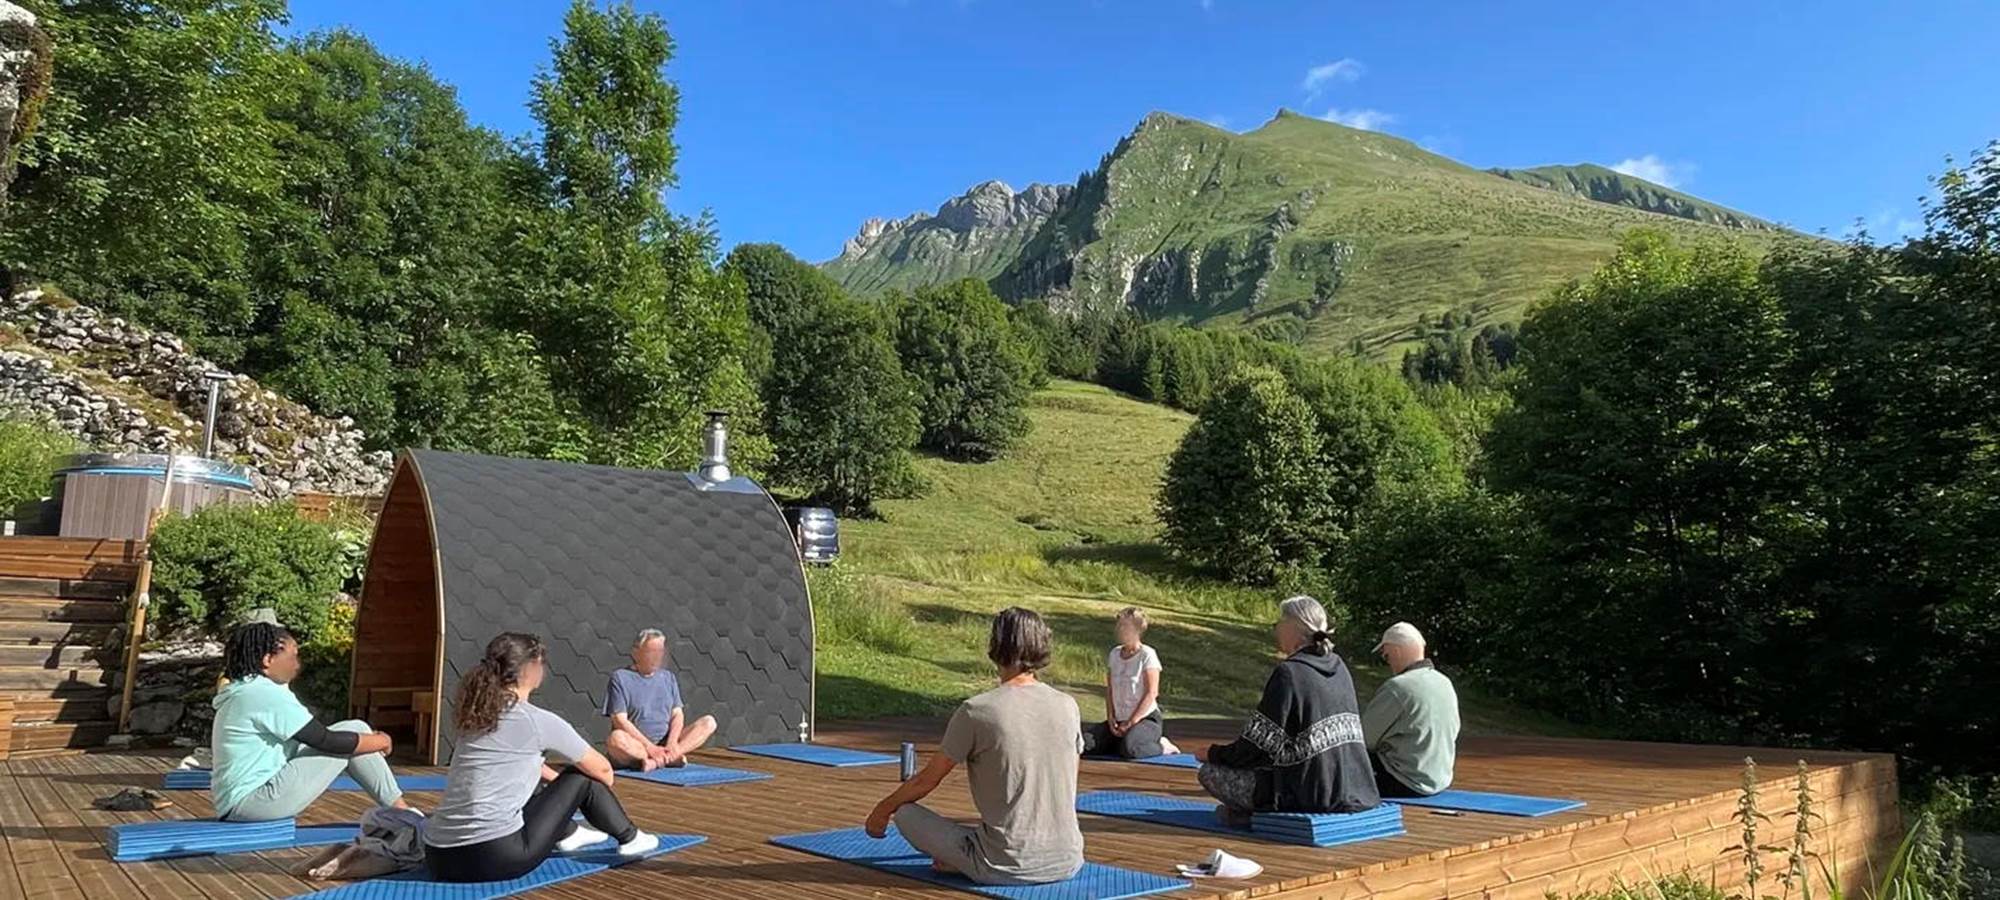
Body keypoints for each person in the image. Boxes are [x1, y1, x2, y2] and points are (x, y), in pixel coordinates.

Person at [865, 607, 1084, 886]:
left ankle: (966, 864)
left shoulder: (977, 711)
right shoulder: (1068, 705)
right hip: (1068, 860)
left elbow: (925, 781)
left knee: (906, 813)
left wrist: (882, 810)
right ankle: (970, 858)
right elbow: (1069, 783)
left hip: (1004, 866)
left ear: (995, 646)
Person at [424, 633, 659, 883]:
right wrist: (568, 788)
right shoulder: (536, 720)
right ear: (533, 669)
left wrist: (555, 788)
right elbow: (603, 773)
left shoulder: (475, 717)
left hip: (439, 858)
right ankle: (631, 837)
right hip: (493, 857)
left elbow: (516, 766)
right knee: (581, 777)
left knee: (528, 776)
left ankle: (568, 834)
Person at [1197, 595, 1380, 827]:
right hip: (1355, 786)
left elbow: (1257, 746)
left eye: (1281, 620)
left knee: (1209, 772)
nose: (1276, 627)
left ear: (1294, 628)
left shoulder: (1289, 673)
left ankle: (1251, 816)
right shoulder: (1339, 667)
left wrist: (1213, 753)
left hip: (1309, 794)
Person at [210, 621, 410, 822]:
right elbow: (325, 740)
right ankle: (403, 814)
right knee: (355, 731)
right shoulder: (262, 693)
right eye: (292, 656)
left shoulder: (247, 690)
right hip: (253, 803)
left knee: (356, 730)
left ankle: (401, 812)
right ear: (268, 659)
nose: (296, 665)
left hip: (239, 803)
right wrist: (382, 741)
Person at [1362, 622, 1460, 798]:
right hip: (1439, 779)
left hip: (1404, 780)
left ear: (1396, 651)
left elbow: (1364, 739)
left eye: (1386, 655)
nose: (1387, 661)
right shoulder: (1444, 682)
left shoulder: (1398, 687)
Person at [602, 628, 717, 771]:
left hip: (666, 744)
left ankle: (661, 759)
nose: (657, 657)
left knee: (708, 722)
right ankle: (658, 758)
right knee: (615, 739)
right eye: (652, 652)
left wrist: (672, 744)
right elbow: (620, 720)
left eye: (660, 652)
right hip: (638, 746)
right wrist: (650, 748)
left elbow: (677, 715)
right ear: (636, 653)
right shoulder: (620, 678)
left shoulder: (668, 678)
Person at [1079, 607, 1179, 759]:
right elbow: (1110, 690)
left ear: (1137, 629)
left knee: (1131, 749)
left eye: (1124, 626)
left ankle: (1162, 745)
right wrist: (1111, 718)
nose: (1119, 629)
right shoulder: (1114, 654)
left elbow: (1152, 693)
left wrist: (1132, 722)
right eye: (1119, 625)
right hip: (1119, 719)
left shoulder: (1147, 655)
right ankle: (1118, 741)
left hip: (1145, 719)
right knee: (1084, 744)